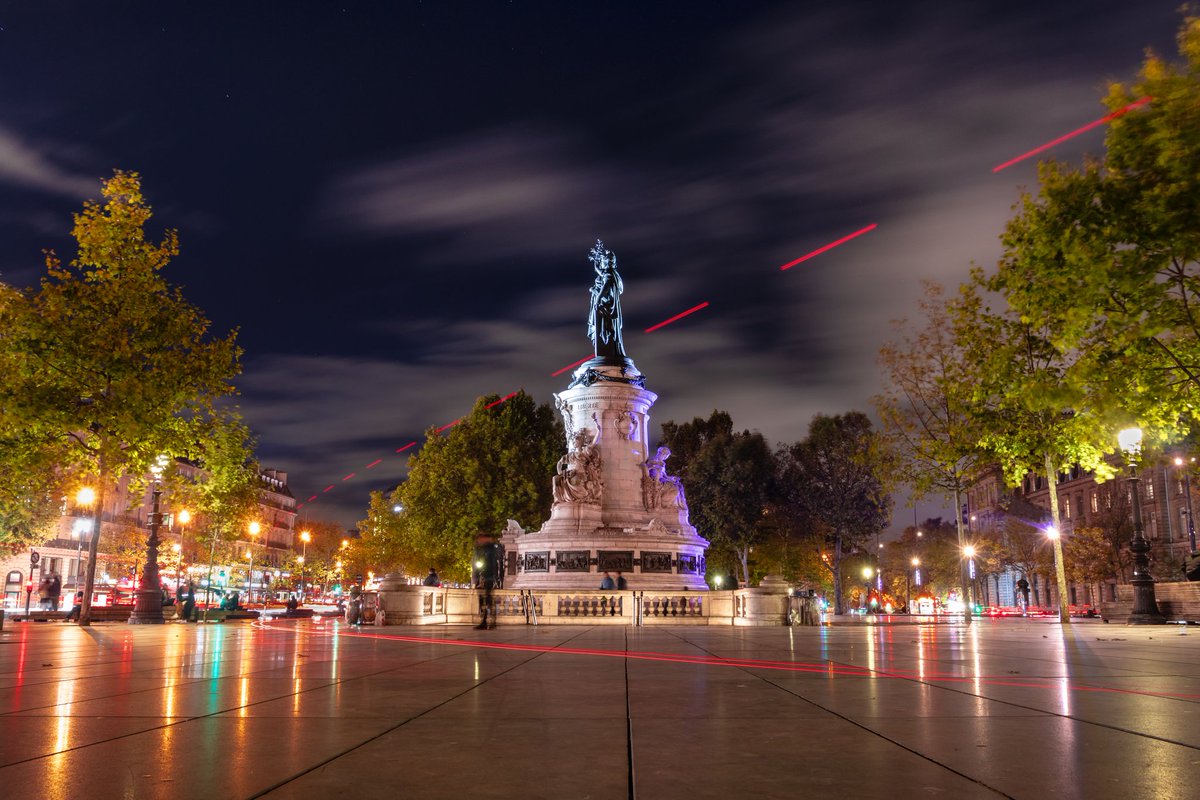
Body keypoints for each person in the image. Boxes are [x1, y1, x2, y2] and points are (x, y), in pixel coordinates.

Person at [473, 532, 501, 629]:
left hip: (487, 577)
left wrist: (494, 578)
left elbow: (493, 564)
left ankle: (489, 622)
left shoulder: (490, 549)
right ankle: (486, 621)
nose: (479, 541)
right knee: (484, 601)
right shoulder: (484, 548)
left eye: (480, 539)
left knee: (488, 600)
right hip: (484, 577)